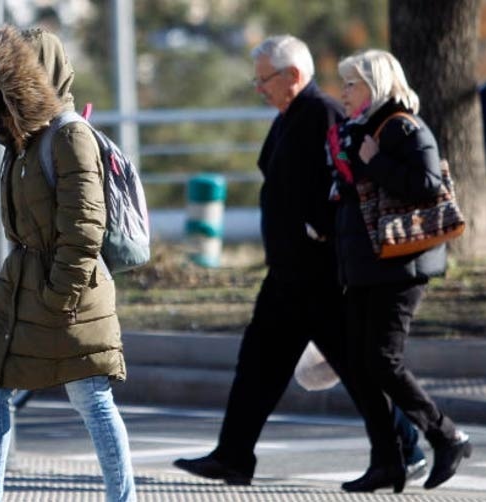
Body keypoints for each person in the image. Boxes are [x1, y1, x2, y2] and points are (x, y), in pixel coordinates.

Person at [172, 35, 425, 487]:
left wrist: (318, 228)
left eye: (264, 79)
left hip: (317, 271)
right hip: (290, 273)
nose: (258, 88)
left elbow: (342, 183)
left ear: (292, 75)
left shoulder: (321, 112)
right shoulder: (290, 116)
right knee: (259, 362)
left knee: (354, 365)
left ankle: (407, 446)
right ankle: (233, 455)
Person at [0, 26, 136, 501]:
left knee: (90, 399)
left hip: (67, 293)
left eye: (10, 79)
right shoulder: (20, 142)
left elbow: (84, 228)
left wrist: (60, 295)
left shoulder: (69, 136)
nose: (1, 91)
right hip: (20, 284)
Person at [330, 49, 472, 492]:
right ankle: (388, 461)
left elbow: (429, 185)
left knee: (382, 362)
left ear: (376, 84)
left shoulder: (403, 125)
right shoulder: (359, 130)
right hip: (366, 266)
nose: (345, 92)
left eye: (352, 84)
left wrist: (375, 160)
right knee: (358, 363)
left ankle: (446, 436)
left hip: (401, 266)